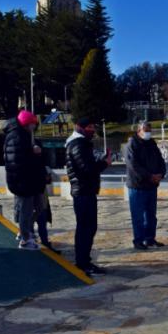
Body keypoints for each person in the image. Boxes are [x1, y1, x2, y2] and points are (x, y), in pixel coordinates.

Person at [66, 118, 112, 275]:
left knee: (88, 227)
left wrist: (100, 162)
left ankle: (84, 260)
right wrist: (104, 163)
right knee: (86, 228)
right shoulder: (78, 144)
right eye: (90, 127)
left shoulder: (81, 143)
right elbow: (86, 169)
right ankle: (82, 262)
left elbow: (87, 165)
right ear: (80, 128)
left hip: (86, 191)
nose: (92, 130)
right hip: (83, 192)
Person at [3, 110, 47, 250]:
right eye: (32, 124)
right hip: (23, 181)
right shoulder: (17, 137)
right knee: (26, 211)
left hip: (29, 181)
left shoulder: (23, 135)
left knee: (36, 208)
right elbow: (18, 161)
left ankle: (25, 232)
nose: (34, 127)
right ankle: (25, 239)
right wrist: (33, 153)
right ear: (26, 124)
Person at [124, 121, 166, 250]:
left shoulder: (152, 143)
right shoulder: (132, 144)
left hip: (152, 186)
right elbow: (133, 165)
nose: (148, 133)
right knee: (138, 216)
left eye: (149, 130)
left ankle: (150, 239)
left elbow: (160, 160)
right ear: (139, 131)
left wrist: (160, 174)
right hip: (138, 186)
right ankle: (138, 240)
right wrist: (150, 176)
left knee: (151, 215)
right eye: (145, 130)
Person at [35, 162, 60, 254]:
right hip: (33, 199)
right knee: (37, 222)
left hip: (41, 198)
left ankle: (44, 243)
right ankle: (37, 242)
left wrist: (47, 176)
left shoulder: (42, 166)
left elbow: (50, 179)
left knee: (42, 222)